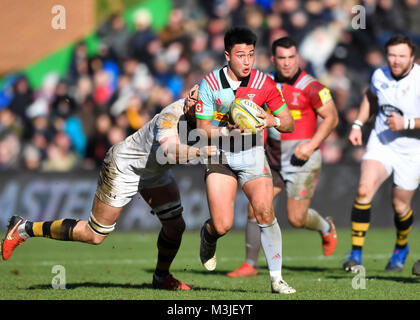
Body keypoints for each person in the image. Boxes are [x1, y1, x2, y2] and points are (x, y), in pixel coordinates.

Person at [1, 85, 218, 290]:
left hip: (155, 172)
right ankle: (24, 227)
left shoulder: (212, 116)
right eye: (198, 108)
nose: (202, 114)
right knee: (94, 235)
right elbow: (170, 152)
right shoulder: (170, 115)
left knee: (175, 226)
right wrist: (202, 151)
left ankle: (161, 278)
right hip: (125, 166)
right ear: (190, 102)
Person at [227, 36, 339, 278]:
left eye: (291, 57)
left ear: (297, 57)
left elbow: (332, 118)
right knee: (255, 208)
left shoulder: (313, 87)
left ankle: (325, 227)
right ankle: (250, 264)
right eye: (282, 58)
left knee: (296, 219)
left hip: (303, 161)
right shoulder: (263, 84)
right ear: (273, 59)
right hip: (274, 160)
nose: (287, 63)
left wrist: (310, 146)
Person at [195, 27, 296, 294]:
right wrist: (228, 130)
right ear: (227, 55)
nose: (247, 61)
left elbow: (288, 122)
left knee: (265, 212)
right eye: (241, 55)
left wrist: (271, 119)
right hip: (221, 156)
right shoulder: (211, 84)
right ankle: (208, 235)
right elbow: (202, 128)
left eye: (251, 54)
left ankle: (276, 279)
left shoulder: (264, 83)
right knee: (222, 225)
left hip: (252, 155)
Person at [343, 34, 420, 273]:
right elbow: (370, 96)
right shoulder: (379, 74)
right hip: (382, 142)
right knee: (364, 190)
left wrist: (407, 123)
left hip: (412, 150)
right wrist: (357, 124)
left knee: (400, 206)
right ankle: (355, 254)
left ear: (412, 57)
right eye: (392, 55)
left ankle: (401, 248)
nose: (396, 60)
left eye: (401, 56)